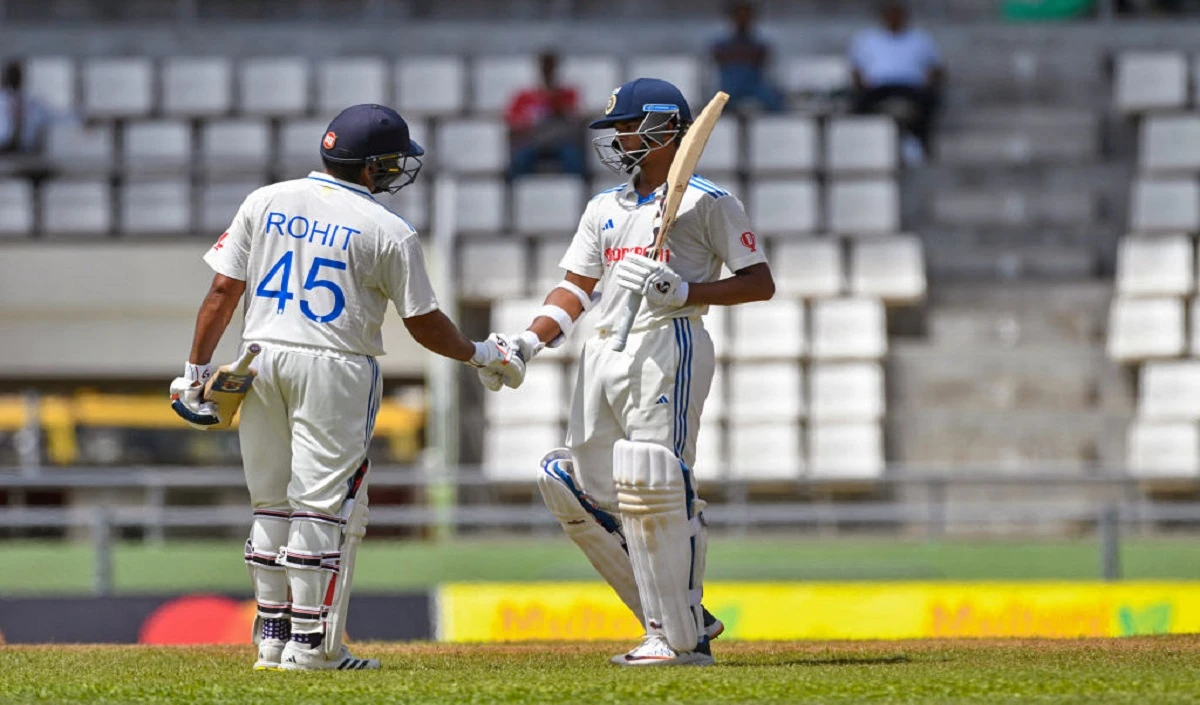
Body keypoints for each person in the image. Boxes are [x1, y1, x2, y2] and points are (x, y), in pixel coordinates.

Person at [169, 103, 524, 671]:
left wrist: (194, 372)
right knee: (319, 509)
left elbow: (220, 291)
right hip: (336, 365)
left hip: (259, 357)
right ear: (371, 168)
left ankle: (271, 640)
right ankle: (311, 648)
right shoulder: (390, 230)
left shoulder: (265, 201)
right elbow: (424, 324)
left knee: (271, 503)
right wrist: (480, 353)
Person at [480, 78, 775, 666]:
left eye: (627, 126)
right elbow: (575, 289)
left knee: (656, 481)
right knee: (568, 482)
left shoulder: (708, 201)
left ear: (666, 128)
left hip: (668, 343)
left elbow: (759, 282)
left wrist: (686, 289)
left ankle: (677, 639)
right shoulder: (603, 208)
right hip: (603, 353)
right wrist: (525, 346)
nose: (616, 138)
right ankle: (681, 614)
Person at [849, 1, 945, 163]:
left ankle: (921, 142)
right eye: (890, 15)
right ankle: (862, 145)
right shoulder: (867, 39)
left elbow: (936, 68)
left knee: (929, 102)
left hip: (911, 86)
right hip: (879, 87)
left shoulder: (920, 38)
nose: (894, 19)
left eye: (898, 15)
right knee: (858, 104)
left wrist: (929, 82)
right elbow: (856, 69)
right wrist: (861, 84)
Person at [505, 50, 587, 179]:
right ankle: (515, 194)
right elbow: (513, 122)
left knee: (574, 159)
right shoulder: (524, 96)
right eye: (545, 66)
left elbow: (576, 119)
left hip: (561, 141)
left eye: (551, 66)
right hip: (533, 141)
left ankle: (578, 192)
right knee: (519, 161)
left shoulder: (567, 93)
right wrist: (529, 122)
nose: (548, 70)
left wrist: (559, 109)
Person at [711, 1, 784, 113]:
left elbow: (770, 73)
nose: (743, 19)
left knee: (775, 102)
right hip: (729, 87)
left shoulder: (760, 46)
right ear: (732, 18)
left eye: (746, 15)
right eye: (739, 15)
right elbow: (711, 73)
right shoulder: (720, 46)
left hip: (754, 86)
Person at [0, 60, 53, 156]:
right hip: (3, 149)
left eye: (16, 74)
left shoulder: (32, 101)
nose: (13, 78)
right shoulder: (2, 100)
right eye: (11, 74)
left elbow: (53, 116)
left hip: (27, 150)